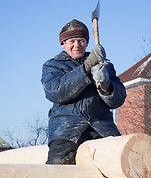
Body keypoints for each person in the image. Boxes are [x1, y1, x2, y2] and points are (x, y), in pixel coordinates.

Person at [41, 19, 126, 164]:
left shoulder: (104, 65)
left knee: (119, 162)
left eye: (81, 40)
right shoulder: (52, 66)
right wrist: (86, 68)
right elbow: (57, 92)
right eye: (71, 41)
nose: (76, 45)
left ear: (87, 43)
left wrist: (106, 86)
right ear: (63, 43)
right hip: (65, 129)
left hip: (102, 127)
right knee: (58, 168)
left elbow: (118, 100)